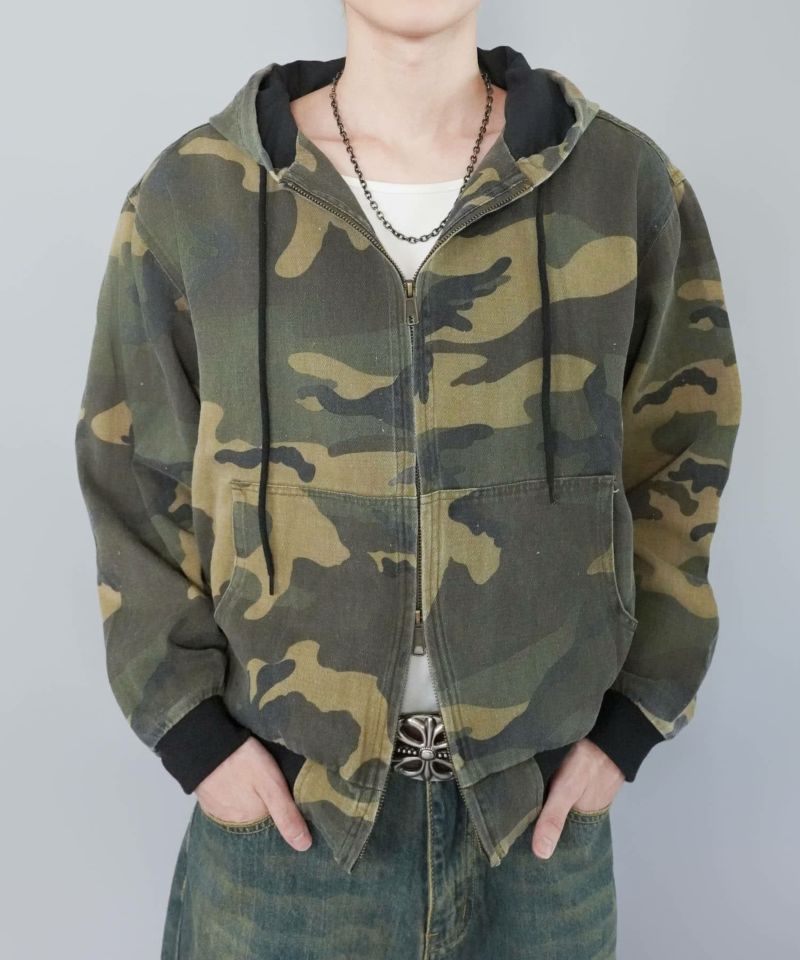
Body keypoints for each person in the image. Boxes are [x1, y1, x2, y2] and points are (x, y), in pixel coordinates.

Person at [74, 1, 742, 957]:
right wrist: (194, 737)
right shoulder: (197, 193)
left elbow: (682, 453)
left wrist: (632, 722)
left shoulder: (621, 184)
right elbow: (134, 471)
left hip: (535, 823)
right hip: (288, 828)